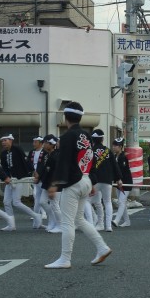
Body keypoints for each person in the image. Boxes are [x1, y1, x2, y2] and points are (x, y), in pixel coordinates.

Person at [45, 102, 111, 269]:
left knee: (68, 222)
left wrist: (54, 183)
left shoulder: (67, 137)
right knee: (79, 219)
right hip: (86, 179)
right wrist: (92, 181)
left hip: (74, 183)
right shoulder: (86, 136)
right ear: (80, 117)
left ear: (65, 117)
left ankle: (65, 258)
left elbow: (63, 161)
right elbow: (91, 158)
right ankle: (102, 247)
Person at [0, 133, 42, 230]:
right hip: (10, 179)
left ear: (11, 141)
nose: (3, 143)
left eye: (5, 140)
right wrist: (6, 177)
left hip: (19, 178)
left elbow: (25, 160)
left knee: (16, 202)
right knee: (6, 202)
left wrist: (33, 171)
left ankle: (36, 215)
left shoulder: (17, 149)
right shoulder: (3, 154)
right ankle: (11, 225)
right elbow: (4, 168)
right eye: (2, 141)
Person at [90, 129, 123, 231]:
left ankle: (99, 223)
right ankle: (108, 226)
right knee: (107, 202)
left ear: (93, 139)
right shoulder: (108, 151)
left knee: (94, 202)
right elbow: (115, 166)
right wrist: (118, 179)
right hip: (107, 180)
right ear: (103, 139)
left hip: (94, 180)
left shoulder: (90, 151)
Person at [36, 135, 62, 233]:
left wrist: (54, 186)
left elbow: (58, 172)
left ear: (52, 144)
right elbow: (44, 169)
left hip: (55, 184)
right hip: (46, 183)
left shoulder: (57, 155)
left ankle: (60, 225)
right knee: (42, 202)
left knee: (55, 205)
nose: (44, 144)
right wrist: (38, 178)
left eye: (46, 143)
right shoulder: (46, 154)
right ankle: (52, 221)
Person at [112, 138, 133, 228]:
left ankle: (116, 220)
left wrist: (119, 179)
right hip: (118, 183)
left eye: (115, 146)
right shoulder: (115, 156)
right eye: (113, 145)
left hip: (125, 183)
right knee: (122, 203)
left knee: (121, 201)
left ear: (120, 147)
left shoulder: (123, 157)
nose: (113, 147)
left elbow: (122, 171)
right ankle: (127, 221)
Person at [27, 136, 45, 218]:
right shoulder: (32, 152)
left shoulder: (44, 152)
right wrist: (32, 171)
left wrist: (39, 173)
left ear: (41, 143)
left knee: (41, 196)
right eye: (33, 142)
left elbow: (44, 165)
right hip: (34, 175)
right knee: (36, 195)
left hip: (42, 176)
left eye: (35, 142)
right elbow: (28, 163)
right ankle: (36, 214)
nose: (33, 144)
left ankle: (44, 213)